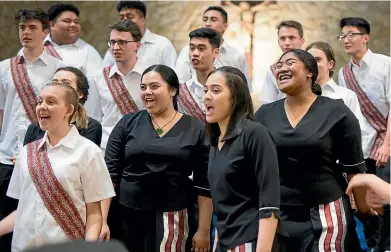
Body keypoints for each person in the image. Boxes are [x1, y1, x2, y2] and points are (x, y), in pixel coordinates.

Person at [255, 49, 371, 251]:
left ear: (310, 71)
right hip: (278, 213)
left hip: (326, 212)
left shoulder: (336, 111)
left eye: (290, 63)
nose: (282, 68)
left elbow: (354, 168)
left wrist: (364, 211)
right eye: (279, 65)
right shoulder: (265, 114)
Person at [104, 65, 212, 252]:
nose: (147, 92)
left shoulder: (196, 128)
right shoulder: (127, 123)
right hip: (127, 215)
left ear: (173, 90)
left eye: (154, 86)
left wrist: (203, 230)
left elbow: (204, 184)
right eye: (143, 87)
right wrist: (103, 220)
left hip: (173, 215)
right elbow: (110, 175)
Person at [0, 82, 115, 252]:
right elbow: (22, 210)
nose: (42, 107)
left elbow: (94, 214)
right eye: (39, 102)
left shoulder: (88, 152)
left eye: (51, 102)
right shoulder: (27, 152)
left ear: (69, 110)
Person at [0, 8, 64, 252]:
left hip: (41, 157)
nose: (26, 32)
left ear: (46, 32)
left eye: (32, 28)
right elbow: (1, 112)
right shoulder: (5, 67)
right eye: (22, 27)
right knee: (5, 220)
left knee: (35, 221)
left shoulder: (59, 68)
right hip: (6, 157)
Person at [204, 66, 280, 251]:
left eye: (216, 90)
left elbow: (269, 203)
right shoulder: (216, 140)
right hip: (224, 239)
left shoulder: (255, 133)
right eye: (205, 90)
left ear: (235, 97)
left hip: (248, 238)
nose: (206, 96)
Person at [337, 17, 390, 251]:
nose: (346, 40)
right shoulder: (344, 73)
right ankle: (372, 245)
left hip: (385, 142)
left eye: (351, 34)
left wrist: (387, 145)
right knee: (362, 204)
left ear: (365, 37)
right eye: (343, 36)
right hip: (362, 146)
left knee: (386, 201)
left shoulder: (385, 64)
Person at [92, 19, 148, 151]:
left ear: (137, 45)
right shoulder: (99, 78)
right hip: (107, 149)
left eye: (122, 42)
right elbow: (94, 119)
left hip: (143, 147)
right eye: (112, 42)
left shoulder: (150, 76)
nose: (115, 47)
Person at [175, 6, 252, 90]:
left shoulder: (237, 57)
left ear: (225, 26)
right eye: (205, 19)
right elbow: (180, 83)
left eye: (213, 20)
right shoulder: (188, 51)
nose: (207, 23)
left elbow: (245, 90)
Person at [23, 67, 102, 147]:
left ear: (80, 94)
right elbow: (26, 155)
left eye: (66, 84)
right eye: (54, 83)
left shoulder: (90, 127)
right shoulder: (35, 127)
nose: (58, 87)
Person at [103, 1, 177, 68]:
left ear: (143, 20)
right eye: (122, 18)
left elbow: (172, 78)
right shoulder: (115, 47)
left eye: (130, 17)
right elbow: (105, 76)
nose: (125, 21)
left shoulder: (162, 45)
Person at [177, 27, 220, 121]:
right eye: (192, 48)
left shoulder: (227, 88)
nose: (195, 53)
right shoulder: (181, 92)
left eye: (201, 48)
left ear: (215, 52)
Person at [259, 20, 305, 105]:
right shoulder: (273, 70)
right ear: (278, 41)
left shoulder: (312, 66)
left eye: (292, 38)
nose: (287, 43)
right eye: (283, 38)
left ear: (301, 41)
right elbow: (267, 102)